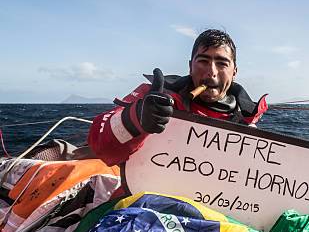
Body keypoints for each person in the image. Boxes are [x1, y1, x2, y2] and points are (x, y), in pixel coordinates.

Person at [88, 29, 268, 166]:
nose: (211, 72)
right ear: (190, 66)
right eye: (203, 61)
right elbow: (101, 146)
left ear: (234, 71)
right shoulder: (153, 97)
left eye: (222, 63)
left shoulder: (246, 118)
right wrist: (136, 119)